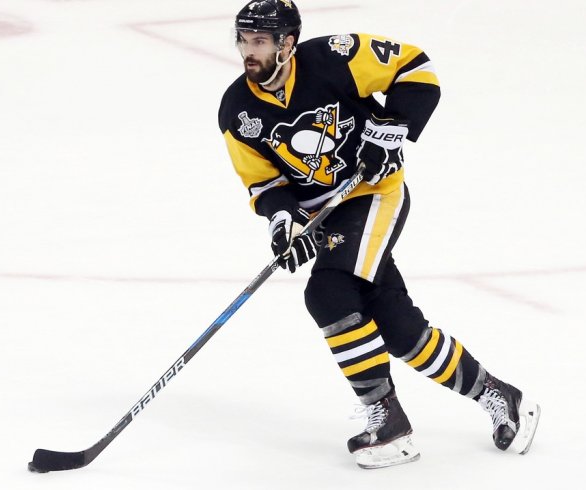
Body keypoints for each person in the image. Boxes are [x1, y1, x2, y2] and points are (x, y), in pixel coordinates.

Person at [218, 0, 540, 469]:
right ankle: (500, 395)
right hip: (328, 214)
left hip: (373, 195)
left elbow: (416, 68)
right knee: (397, 325)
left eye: (260, 41)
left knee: (328, 293)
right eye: (244, 40)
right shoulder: (236, 109)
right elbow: (264, 183)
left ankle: (388, 423)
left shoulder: (334, 58)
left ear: (287, 43)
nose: (249, 51)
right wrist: (285, 222)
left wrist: (392, 129)